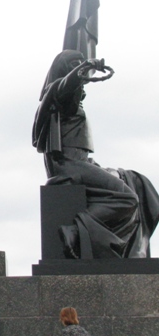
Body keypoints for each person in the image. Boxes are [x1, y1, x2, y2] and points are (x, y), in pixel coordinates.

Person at [32, 50, 159, 258]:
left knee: (135, 180)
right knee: (128, 198)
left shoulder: (65, 100)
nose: (79, 68)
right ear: (64, 69)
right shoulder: (57, 93)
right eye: (74, 64)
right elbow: (67, 84)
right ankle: (75, 231)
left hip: (81, 163)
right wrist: (86, 66)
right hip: (70, 167)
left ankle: (130, 250)